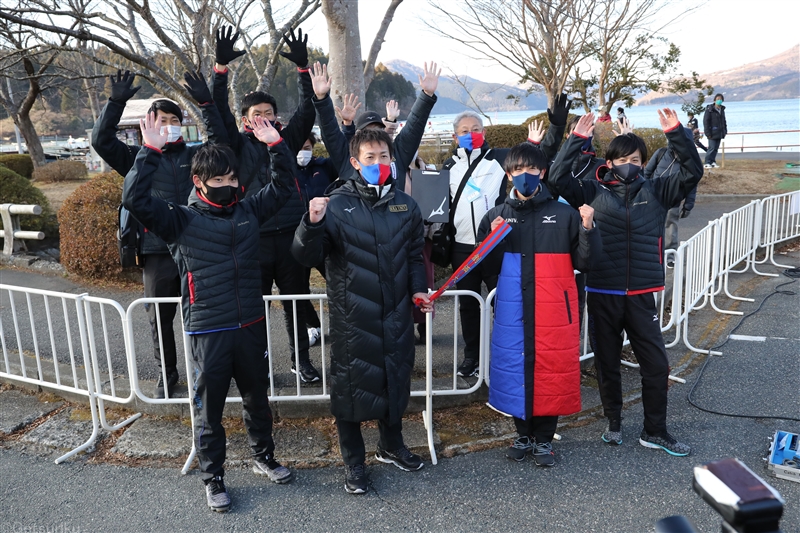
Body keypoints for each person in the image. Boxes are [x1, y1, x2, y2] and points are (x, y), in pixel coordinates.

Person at [122, 113, 295, 512]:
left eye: (232, 179)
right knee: (208, 410)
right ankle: (213, 477)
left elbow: (285, 186)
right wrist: (149, 152)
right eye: (218, 181)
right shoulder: (179, 220)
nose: (227, 186)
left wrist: (276, 145)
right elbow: (135, 200)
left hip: (250, 323)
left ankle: (263, 457)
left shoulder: (249, 211)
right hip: (207, 330)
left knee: (258, 400)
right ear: (198, 182)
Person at [291, 63, 434, 495]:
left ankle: (393, 446)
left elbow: (413, 256)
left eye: (384, 157)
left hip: (394, 316)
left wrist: (419, 290)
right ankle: (354, 463)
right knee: (350, 397)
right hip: (354, 320)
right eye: (369, 158)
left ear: (393, 160)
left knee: (394, 385)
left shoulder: (405, 207)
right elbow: (305, 255)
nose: (378, 163)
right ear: (355, 163)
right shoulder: (335, 204)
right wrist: (310, 224)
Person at [550, 109, 701, 457]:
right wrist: (575, 139)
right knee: (607, 363)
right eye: (621, 159)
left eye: (634, 159)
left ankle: (656, 430)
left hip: (642, 293)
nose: (628, 164)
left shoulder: (659, 191)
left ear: (643, 162)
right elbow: (557, 178)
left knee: (657, 365)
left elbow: (694, 170)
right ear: (609, 162)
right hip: (603, 290)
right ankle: (613, 422)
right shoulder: (591, 191)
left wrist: (676, 134)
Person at [91, 69, 227, 399]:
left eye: (172, 118)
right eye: (160, 118)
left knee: (203, 315)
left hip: (197, 247)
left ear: (181, 124)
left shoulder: (197, 156)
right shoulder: (137, 158)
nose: (167, 124)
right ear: (147, 124)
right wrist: (116, 102)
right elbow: (101, 141)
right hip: (156, 250)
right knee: (159, 318)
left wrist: (207, 102)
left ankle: (204, 371)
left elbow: (222, 143)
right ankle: (167, 374)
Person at [211, 26, 322, 383]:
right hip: (251, 237)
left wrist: (303, 72)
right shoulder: (236, 146)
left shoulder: (287, 139)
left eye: (269, 112)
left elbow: (308, 112)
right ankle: (256, 365)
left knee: (294, 303)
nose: (264, 117)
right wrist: (219, 70)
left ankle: (300, 361)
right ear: (245, 120)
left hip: (290, 236)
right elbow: (216, 115)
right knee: (253, 306)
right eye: (257, 113)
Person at [478, 141, 599, 467]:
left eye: (531, 170)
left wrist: (588, 228)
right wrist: (490, 241)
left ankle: (544, 440)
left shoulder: (564, 214)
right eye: (518, 170)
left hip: (554, 310)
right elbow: (485, 269)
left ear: (542, 173)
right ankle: (522, 435)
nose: (524, 176)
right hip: (513, 310)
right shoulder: (496, 216)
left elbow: (585, 263)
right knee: (515, 369)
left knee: (551, 371)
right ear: (508, 174)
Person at [444, 95, 570, 378]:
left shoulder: (500, 158)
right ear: (455, 137)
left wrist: (556, 127)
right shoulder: (448, 168)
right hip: (464, 248)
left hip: (497, 245)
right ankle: (472, 357)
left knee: (505, 303)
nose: (471, 134)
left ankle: (506, 354)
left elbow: (535, 159)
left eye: (476, 129)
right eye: (464, 131)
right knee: (468, 304)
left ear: (484, 133)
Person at [295, 132, 339, 345]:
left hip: (324, 235)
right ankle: (313, 326)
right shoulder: (286, 169)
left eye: (307, 147)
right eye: (299, 146)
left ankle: (341, 321)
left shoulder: (324, 167)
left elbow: (345, 160)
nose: (303, 151)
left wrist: (346, 129)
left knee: (337, 280)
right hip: (297, 237)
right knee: (299, 288)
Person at [644, 126, 703, 266]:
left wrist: (688, 205)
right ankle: (651, 254)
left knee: (670, 228)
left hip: (673, 200)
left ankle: (670, 256)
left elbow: (693, 184)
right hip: (653, 197)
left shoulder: (689, 163)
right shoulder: (661, 153)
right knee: (649, 226)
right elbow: (647, 173)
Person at [702, 93, 727, 168]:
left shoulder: (722, 110)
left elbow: (724, 121)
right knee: (711, 148)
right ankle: (707, 162)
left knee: (716, 148)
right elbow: (706, 122)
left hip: (719, 132)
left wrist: (725, 131)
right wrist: (707, 132)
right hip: (712, 132)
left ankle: (713, 161)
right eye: (718, 99)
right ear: (714, 100)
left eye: (720, 99)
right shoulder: (709, 110)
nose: (719, 100)